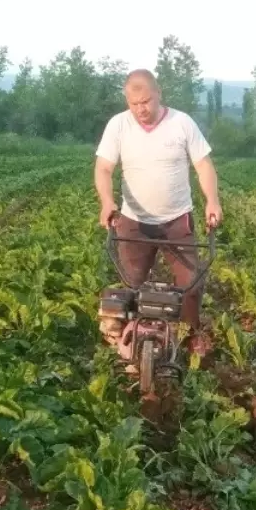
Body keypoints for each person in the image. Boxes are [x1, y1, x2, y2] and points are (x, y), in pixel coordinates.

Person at [94, 68, 221, 357]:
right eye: (134, 104)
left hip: (177, 220)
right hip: (134, 222)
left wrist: (212, 200)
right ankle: (134, 334)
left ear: (158, 94)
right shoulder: (118, 125)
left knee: (190, 284)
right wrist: (106, 201)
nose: (141, 109)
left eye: (147, 102)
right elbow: (103, 168)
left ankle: (191, 333)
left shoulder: (181, 123)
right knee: (133, 283)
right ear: (127, 101)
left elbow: (203, 165)